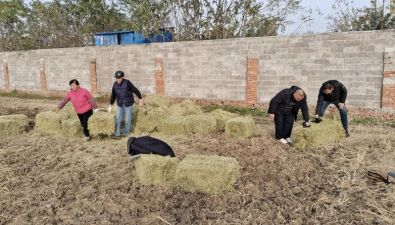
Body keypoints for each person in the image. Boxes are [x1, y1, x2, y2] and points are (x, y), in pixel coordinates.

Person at [108, 71, 144, 139]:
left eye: (119, 78)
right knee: (117, 118)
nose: (118, 79)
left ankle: (126, 133)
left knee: (127, 120)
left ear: (122, 77)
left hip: (128, 104)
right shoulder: (115, 84)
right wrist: (110, 105)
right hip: (120, 104)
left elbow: (135, 90)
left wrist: (140, 100)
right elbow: (113, 95)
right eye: (116, 78)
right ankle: (117, 134)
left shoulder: (127, 83)